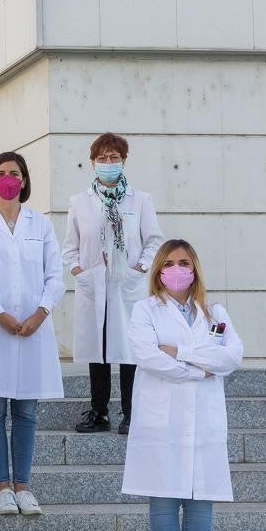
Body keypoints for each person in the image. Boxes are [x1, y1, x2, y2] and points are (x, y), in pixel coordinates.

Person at [122, 239, 243, 531]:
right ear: (159, 269)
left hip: (203, 419)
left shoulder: (215, 312)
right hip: (161, 419)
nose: (178, 269)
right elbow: (147, 355)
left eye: (185, 262)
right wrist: (199, 370)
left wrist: (181, 352)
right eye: (170, 262)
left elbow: (232, 356)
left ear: (195, 268)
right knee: (164, 496)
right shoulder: (145, 310)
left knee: (200, 498)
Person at [0, 152, 65, 516]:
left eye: (15, 173)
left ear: (24, 180)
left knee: (27, 412)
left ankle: (23, 484)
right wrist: (1, 315)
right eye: (1, 173)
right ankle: (1, 485)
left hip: (34, 328)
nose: (8, 178)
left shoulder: (41, 225)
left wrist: (40, 312)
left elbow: (56, 274)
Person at [63, 132, 164, 434]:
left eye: (114, 158)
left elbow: (154, 240)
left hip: (126, 285)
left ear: (123, 161)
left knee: (129, 349)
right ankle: (99, 411)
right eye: (102, 158)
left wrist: (139, 268)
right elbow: (70, 247)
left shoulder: (140, 200)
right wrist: (79, 271)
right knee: (99, 349)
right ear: (92, 163)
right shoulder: (79, 202)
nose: (108, 163)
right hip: (94, 285)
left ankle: (131, 412)